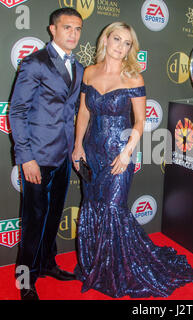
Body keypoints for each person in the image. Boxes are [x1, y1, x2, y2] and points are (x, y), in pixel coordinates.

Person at [72, 22, 193, 298]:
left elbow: (141, 122)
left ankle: (117, 269)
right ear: (105, 39)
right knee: (93, 205)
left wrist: (127, 152)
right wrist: (77, 146)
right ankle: (96, 266)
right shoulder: (89, 72)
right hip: (92, 151)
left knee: (113, 209)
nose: (120, 46)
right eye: (116, 39)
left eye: (127, 43)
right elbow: (83, 112)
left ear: (132, 48)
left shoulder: (134, 78)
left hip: (120, 152)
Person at [9, 8, 84, 300]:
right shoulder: (35, 63)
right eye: (67, 28)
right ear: (52, 29)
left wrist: (75, 149)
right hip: (37, 157)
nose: (74, 34)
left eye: (78, 29)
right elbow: (17, 112)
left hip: (63, 156)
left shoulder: (76, 66)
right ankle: (24, 278)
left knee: (53, 215)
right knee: (33, 220)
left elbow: (71, 112)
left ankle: (47, 263)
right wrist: (25, 157)